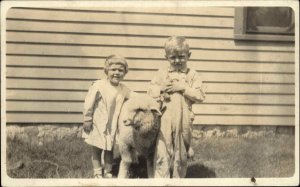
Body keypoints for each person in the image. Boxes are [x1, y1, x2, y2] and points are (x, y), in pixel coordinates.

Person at [148, 36, 206, 178]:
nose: (177, 61)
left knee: (181, 149)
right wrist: (161, 89)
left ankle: (178, 179)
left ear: (188, 56)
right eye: (173, 58)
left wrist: (183, 88)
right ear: (166, 57)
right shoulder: (162, 73)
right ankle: (161, 179)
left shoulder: (192, 75)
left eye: (181, 57)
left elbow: (200, 96)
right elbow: (150, 91)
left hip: (184, 117)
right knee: (163, 148)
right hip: (165, 117)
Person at [82, 55, 131, 178]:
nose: (116, 73)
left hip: (113, 125)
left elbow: (133, 97)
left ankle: (108, 171)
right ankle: (97, 172)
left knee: (109, 149)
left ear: (125, 73)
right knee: (97, 149)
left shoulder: (123, 89)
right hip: (98, 123)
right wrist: (87, 119)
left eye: (120, 70)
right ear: (106, 71)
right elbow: (89, 103)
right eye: (113, 70)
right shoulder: (99, 85)